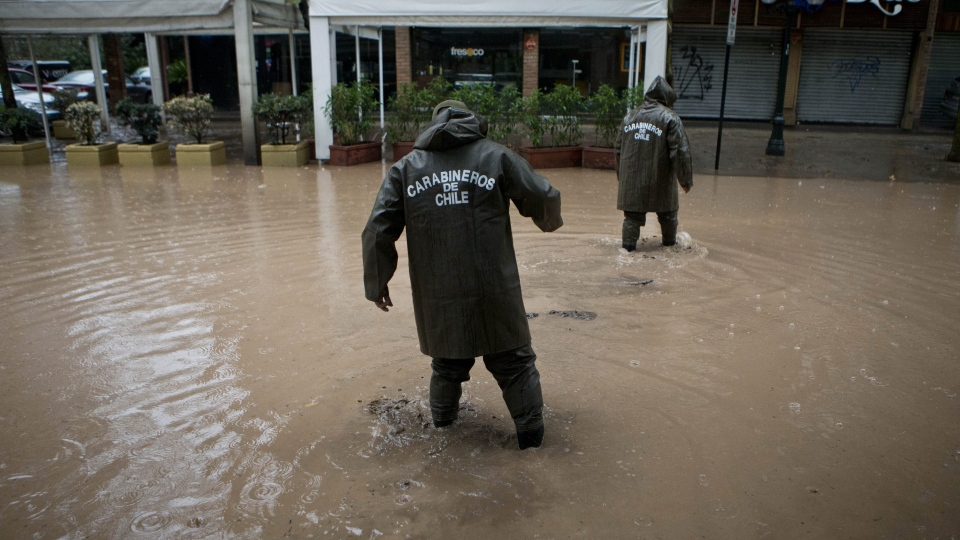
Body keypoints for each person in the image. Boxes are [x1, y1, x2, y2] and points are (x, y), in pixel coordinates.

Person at [362, 100, 563, 450]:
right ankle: (533, 449)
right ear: (473, 122)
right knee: (515, 364)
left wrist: (376, 283)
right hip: (494, 290)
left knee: (447, 364)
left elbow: (378, 230)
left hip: (439, 296)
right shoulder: (497, 157)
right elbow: (543, 195)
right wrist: (549, 221)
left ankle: (442, 435)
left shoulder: (406, 169)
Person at [615, 76, 693, 250]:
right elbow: (680, 152)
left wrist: (623, 178)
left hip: (632, 182)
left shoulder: (629, 117)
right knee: (668, 215)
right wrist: (686, 181)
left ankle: (627, 250)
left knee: (632, 219)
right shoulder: (670, 118)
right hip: (661, 180)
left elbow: (618, 150)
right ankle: (669, 246)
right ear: (667, 98)